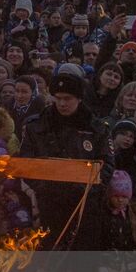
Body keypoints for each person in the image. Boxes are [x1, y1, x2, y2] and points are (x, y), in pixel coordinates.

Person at [19, 72, 111, 248]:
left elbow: (106, 165)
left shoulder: (96, 129)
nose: (62, 103)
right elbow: (26, 163)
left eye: (67, 98)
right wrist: (44, 187)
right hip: (50, 204)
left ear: (79, 99)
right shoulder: (37, 127)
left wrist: (87, 189)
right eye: (58, 98)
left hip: (84, 206)